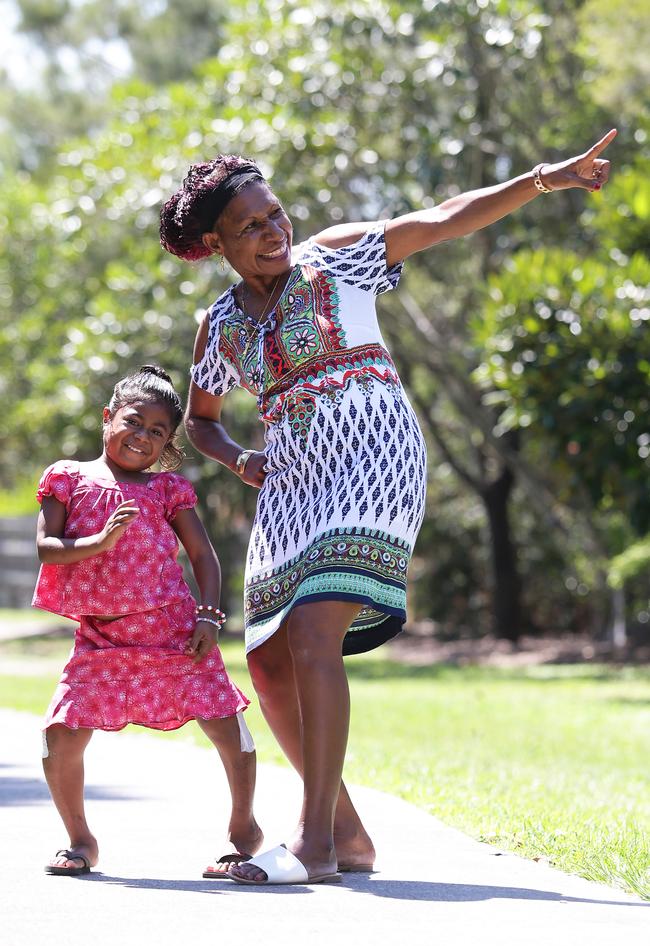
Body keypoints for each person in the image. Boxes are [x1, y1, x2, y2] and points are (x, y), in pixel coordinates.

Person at [159, 129, 616, 885]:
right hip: (290, 481)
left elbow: (444, 217)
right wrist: (239, 457)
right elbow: (200, 419)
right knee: (268, 662)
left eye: (276, 215)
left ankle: (312, 845)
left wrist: (544, 178)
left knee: (311, 633)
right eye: (252, 227)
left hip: (374, 457)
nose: (274, 232)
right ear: (217, 243)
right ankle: (347, 832)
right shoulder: (220, 325)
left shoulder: (336, 257)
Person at [33, 365, 262, 877]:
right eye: (134, 422)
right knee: (59, 735)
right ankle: (80, 840)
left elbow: (204, 557)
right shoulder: (67, 477)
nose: (143, 437)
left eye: (157, 432)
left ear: (168, 444)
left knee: (229, 726)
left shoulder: (167, 491)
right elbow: (48, 549)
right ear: (107, 417)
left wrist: (208, 617)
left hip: (174, 633)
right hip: (101, 636)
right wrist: (99, 543)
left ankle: (243, 829)